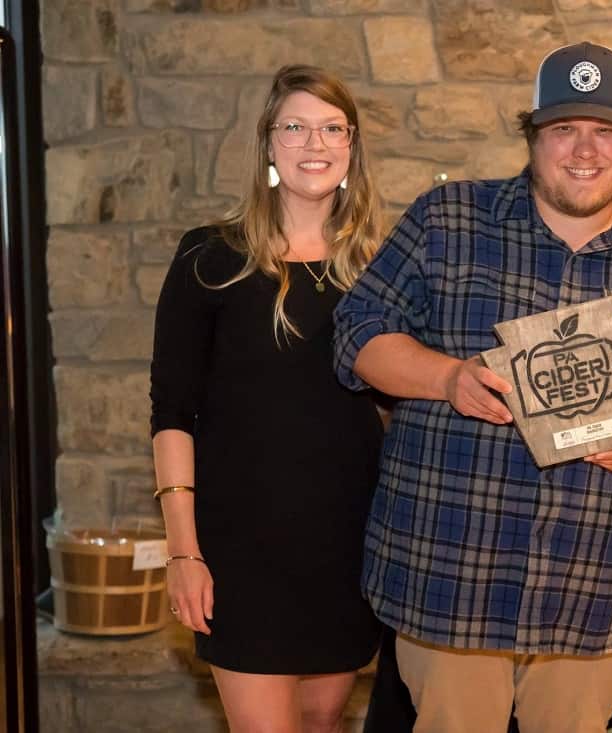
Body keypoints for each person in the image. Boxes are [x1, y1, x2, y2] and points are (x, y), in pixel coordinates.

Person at [333, 42, 612, 733]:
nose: (584, 150)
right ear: (532, 134)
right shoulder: (447, 221)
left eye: (605, 131)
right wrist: (448, 377)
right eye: (564, 130)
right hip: (453, 567)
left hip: (592, 584)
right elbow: (357, 331)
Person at [150, 64, 385, 732]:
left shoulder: (380, 265)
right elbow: (172, 411)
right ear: (268, 145)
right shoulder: (210, 258)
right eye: (296, 126)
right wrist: (183, 551)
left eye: (332, 127)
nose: (315, 141)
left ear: (351, 147)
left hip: (346, 546)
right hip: (240, 552)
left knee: (322, 722)